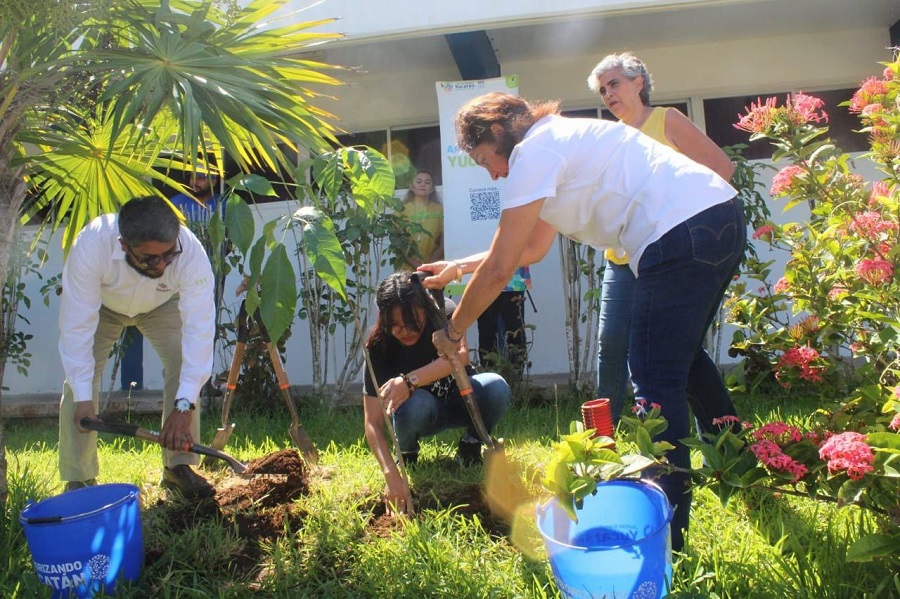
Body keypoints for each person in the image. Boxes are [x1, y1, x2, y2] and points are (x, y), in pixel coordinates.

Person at [420, 91, 744, 552]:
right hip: (717, 217)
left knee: (652, 377)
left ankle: (668, 536)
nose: (492, 173)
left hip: (678, 231)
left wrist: (452, 332)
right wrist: (458, 268)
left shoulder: (533, 152)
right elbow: (529, 249)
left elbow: (501, 269)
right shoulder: (558, 142)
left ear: (497, 132)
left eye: (483, 159)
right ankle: (739, 464)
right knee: (684, 362)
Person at [586, 52, 736, 425]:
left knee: (680, 351)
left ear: (639, 83)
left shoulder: (666, 119)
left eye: (614, 84)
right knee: (610, 346)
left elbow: (721, 168)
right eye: (602, 90)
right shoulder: (612, 137)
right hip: (622, 259)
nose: (608, 94)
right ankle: (603, 440)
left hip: (670, 255)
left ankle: (724, 442)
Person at [58, 195, 216, 498]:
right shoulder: (92, 245)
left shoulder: (190, 252)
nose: (161, 265)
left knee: (183, 361)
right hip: (103, 305)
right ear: (123, 244)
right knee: (79, 381)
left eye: (168, 256)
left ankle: (178, 467)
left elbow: (200, 330)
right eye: (149, 259)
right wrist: (83, 399)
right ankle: (79, 479)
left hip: (161, 303)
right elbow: (76, 327)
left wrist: (184, 406)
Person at [362, 272, 511, 515]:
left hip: (460, 401)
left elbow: (460, 356)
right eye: (395, 325)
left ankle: (470, 445)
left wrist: (408, 381)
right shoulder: (378, 347)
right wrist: (390, 473)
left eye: (412, 323)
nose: (404, 331)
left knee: (495, 386)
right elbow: (373, 422)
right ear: (384, 319)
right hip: (419, 413)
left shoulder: (444, 313)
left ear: (424, 309)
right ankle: (408, 454)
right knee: (414, 403)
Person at [476, 266, 531, 382]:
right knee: (487, 330)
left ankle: (516, 380)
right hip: (484, 279)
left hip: (513, 277)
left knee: (515, 330)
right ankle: (489, 380)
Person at [397, 169, 443, 271]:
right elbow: (398, 242)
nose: (423, 185)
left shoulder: (440, 210)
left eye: (427, 182)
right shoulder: (401, 210)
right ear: (411, 186)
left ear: (432, 189)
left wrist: (429, 266)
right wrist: (418, 266)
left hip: (433, 267)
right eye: (418, 182)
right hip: (407, 269)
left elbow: (443, 243)